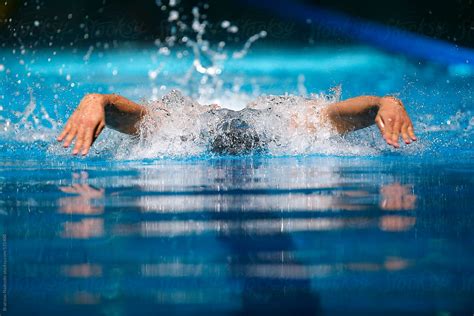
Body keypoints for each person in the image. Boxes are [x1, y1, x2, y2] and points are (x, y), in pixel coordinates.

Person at [56, 92, 417, 156]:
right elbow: (130, 115)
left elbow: (340, 113)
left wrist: (387, 103)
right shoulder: (182, 126)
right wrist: (95, 101)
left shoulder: (287, 125)